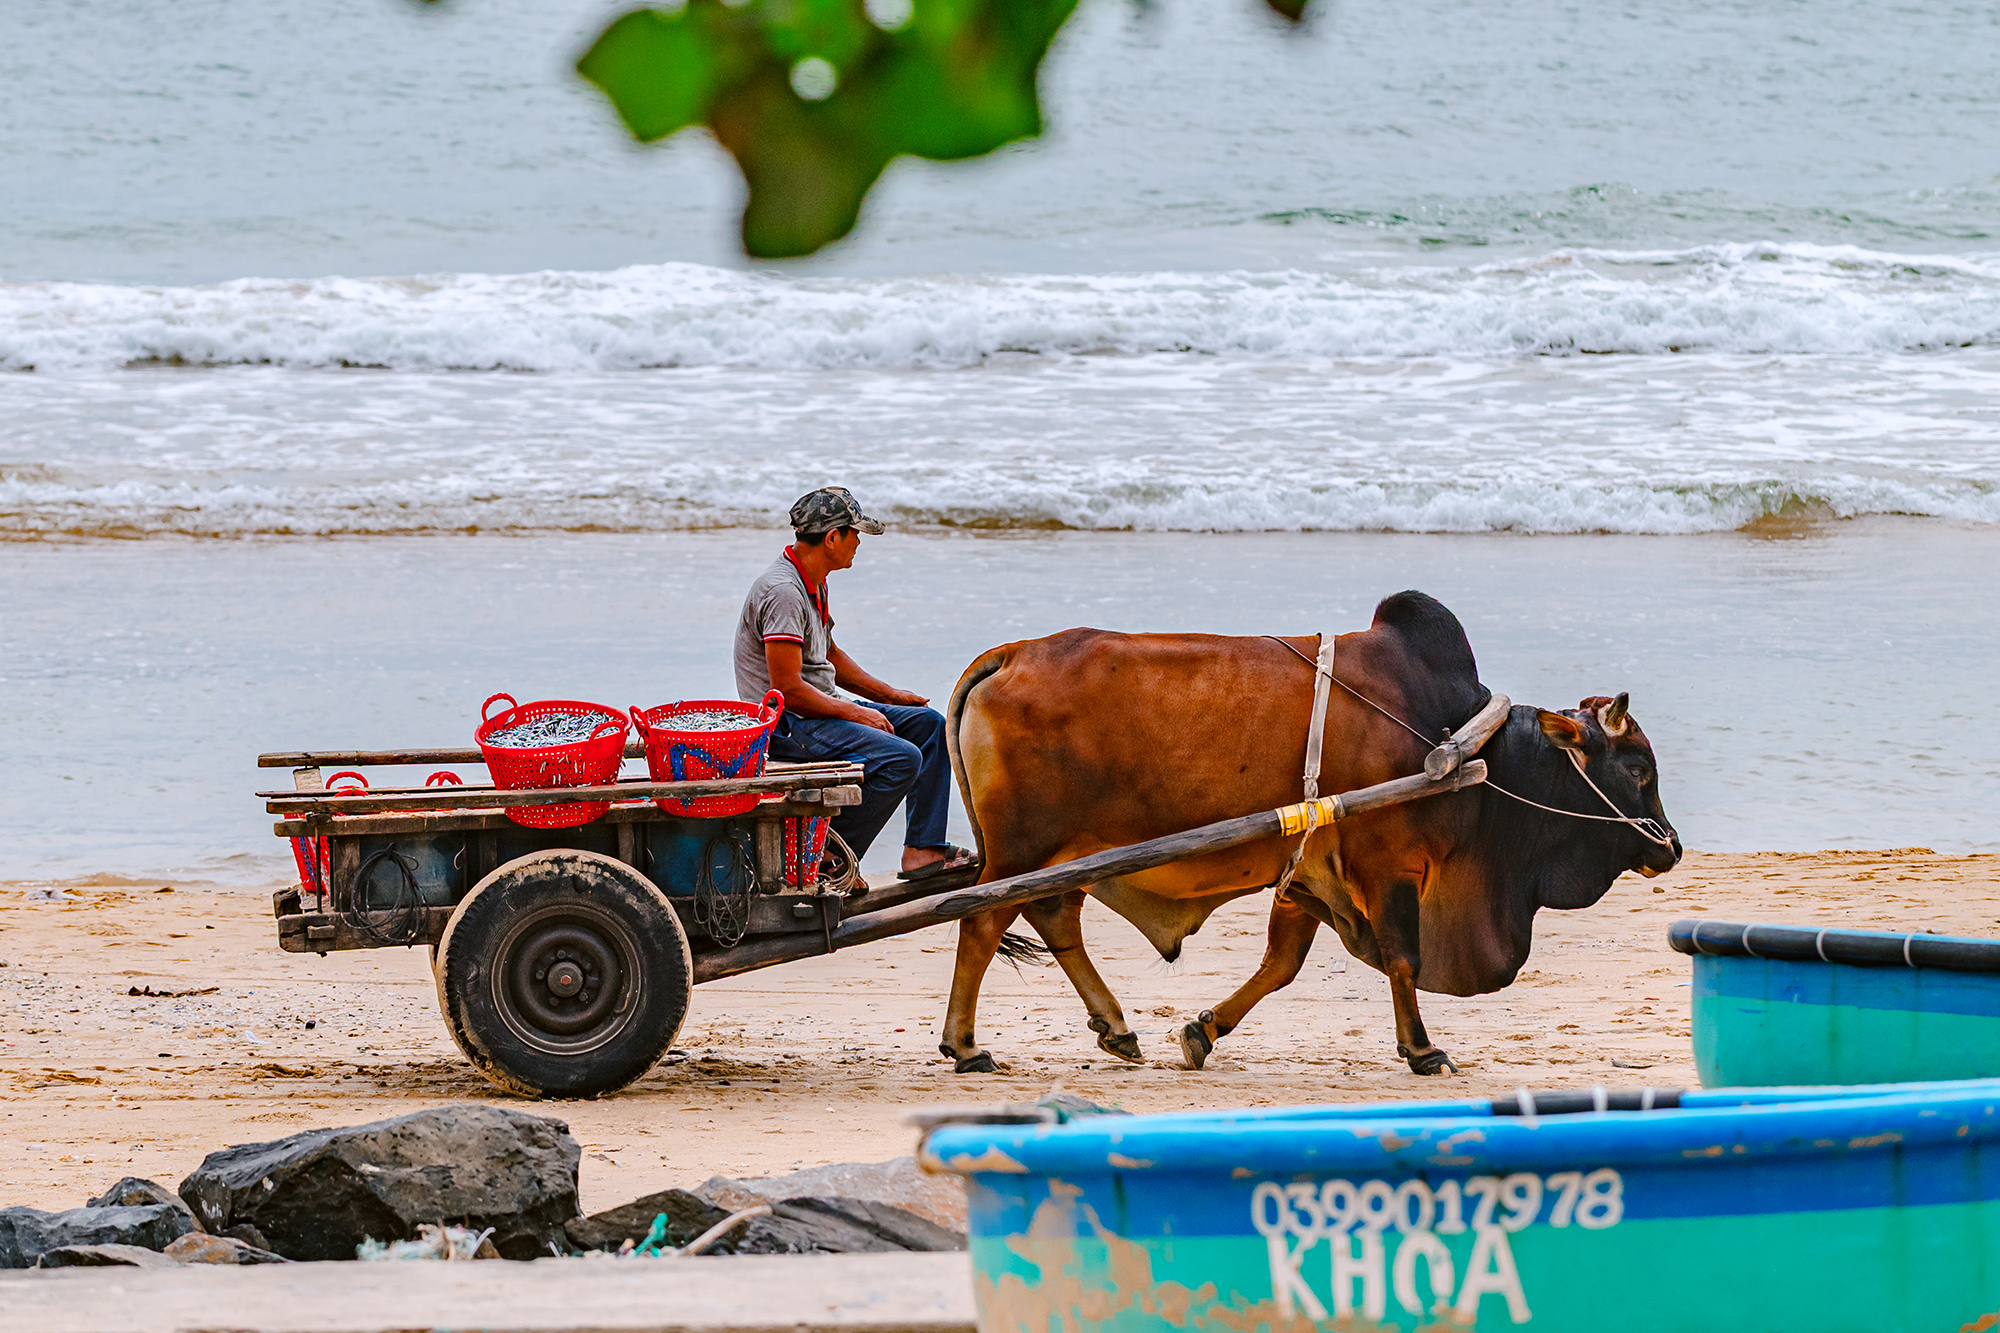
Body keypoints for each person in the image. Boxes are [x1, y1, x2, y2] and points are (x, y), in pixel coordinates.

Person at [734, 487, 976, 885]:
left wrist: (887, 696)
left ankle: (923, 849)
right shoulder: (783, 592)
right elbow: (787, 691)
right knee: (901, 759)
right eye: (855, 533)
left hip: (815, 711)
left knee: (927, 725)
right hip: (786, 725)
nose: (859, 542)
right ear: (832, 537)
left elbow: (828, 652)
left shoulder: (812, 580)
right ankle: (830, 857)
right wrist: (856, 711)